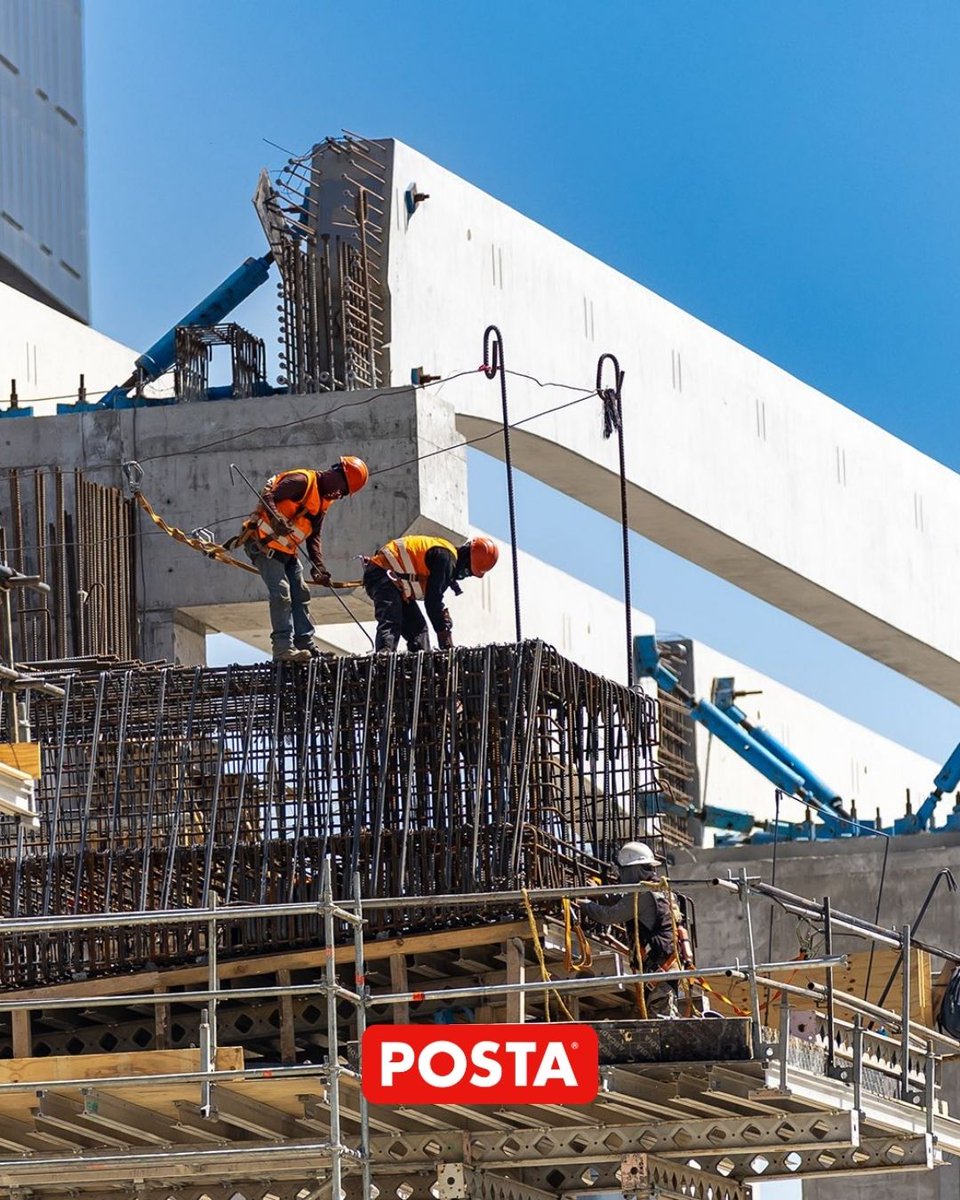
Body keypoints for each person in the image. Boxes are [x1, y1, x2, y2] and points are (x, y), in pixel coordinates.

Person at [239, 458, 369, 662]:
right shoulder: (302, 481)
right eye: (341, 489)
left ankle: (305, 645)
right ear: (336, 473)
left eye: (343, 494)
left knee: (301, 593)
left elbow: (314, 537)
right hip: (263, 545)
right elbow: (268, 496)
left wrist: (319, 567)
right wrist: (275, 518)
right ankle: (282, 649)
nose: (338, 495)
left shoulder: (323, 502)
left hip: (287, 552)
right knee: (282, 594)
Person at [579, 841, 681, 1018]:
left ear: (633, 870)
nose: (621, 875)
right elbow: (621, 902)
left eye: (623, 871)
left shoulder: (642, 894)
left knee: (662, 1023)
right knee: (657, 1019)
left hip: (659, 972)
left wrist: (586, 905)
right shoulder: (658, 890)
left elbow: (611, 915)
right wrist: (599, 894)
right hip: (664, 967)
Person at [362, 534, 498, 652]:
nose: (463, 576)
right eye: (466, 572)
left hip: (394, 584)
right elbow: (432, 602)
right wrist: (443, 633)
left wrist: (441, 623)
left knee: (419, 630)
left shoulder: (446, 555)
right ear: (465, 559)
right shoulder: (447, 559)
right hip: (382, 574)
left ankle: (418, 667)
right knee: (392, 619)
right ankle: (384, 658)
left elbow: (433, 600)